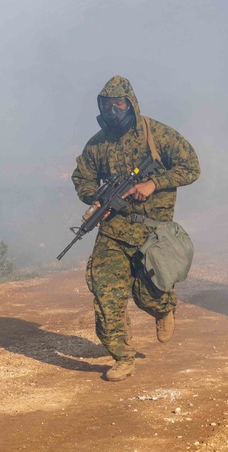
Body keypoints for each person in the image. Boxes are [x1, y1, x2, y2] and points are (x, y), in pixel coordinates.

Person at [71, 75, 200, 382]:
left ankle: (164, 307)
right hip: (114, 232)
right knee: (106, 294)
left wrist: (154, 183)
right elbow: (82, 178)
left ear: (131, 103)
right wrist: (97, 197)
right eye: (107, 105)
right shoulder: (97, 144)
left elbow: (191, 166)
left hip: (152, 233)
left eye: (119, 104)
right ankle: (122, 356)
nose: (113, 110)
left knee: (148, 296)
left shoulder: (157, 135)